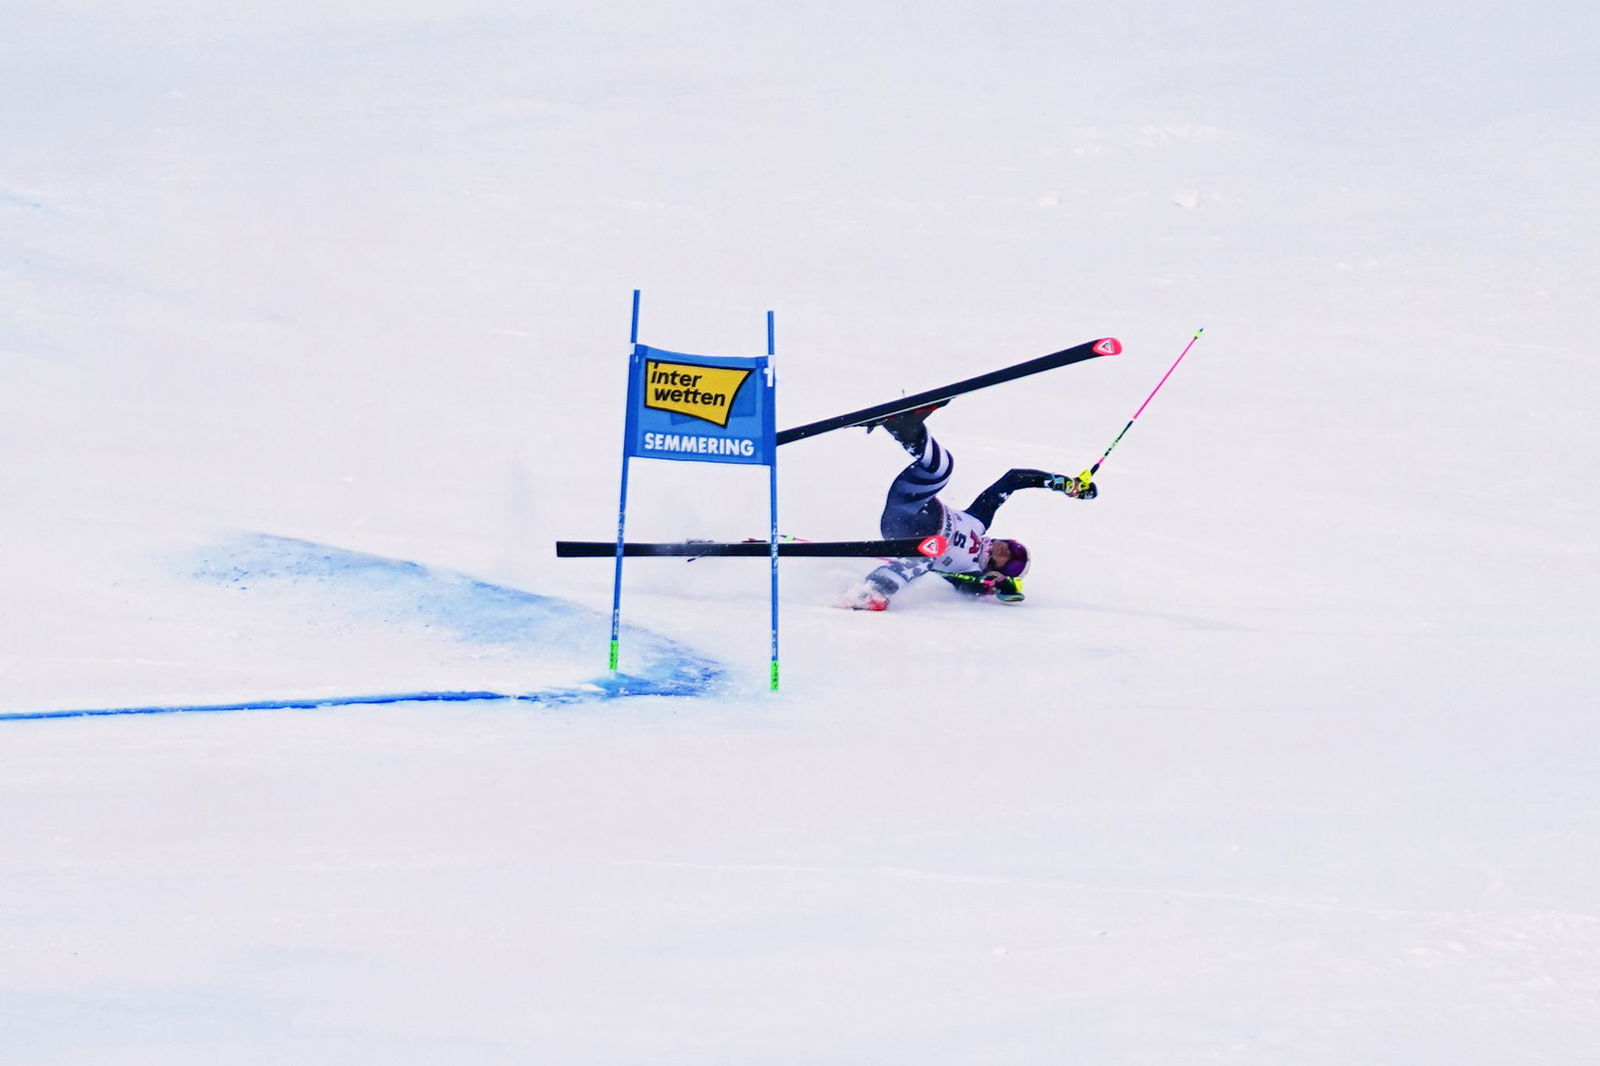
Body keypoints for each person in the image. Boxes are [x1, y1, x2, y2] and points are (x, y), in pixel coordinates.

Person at [840, 405, 1097, 611]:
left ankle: (870, 592)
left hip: (906, 536)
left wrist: (998, 586)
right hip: (911, 506)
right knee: (942, 468)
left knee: (927, 556)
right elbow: (1013, 479)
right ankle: (905, 427)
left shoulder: (969, 573)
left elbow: (973, 588)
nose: (1006, 549)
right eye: (1013, 547)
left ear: (997, 570)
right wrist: (1062, 484)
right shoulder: (980, 520)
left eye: (1009, 559)